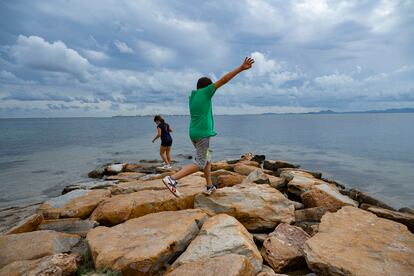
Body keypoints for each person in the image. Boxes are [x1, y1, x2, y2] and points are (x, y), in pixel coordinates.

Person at [162, 57, 255, 197]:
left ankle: (209, 186)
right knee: (200, 162)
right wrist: (241, 68)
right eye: (211, 88)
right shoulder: (206, 92)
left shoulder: (192, 96)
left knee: (207, 159)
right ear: (207, 87)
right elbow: (223, 80)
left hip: (193, 133)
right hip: (202, 134)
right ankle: (172, 179)